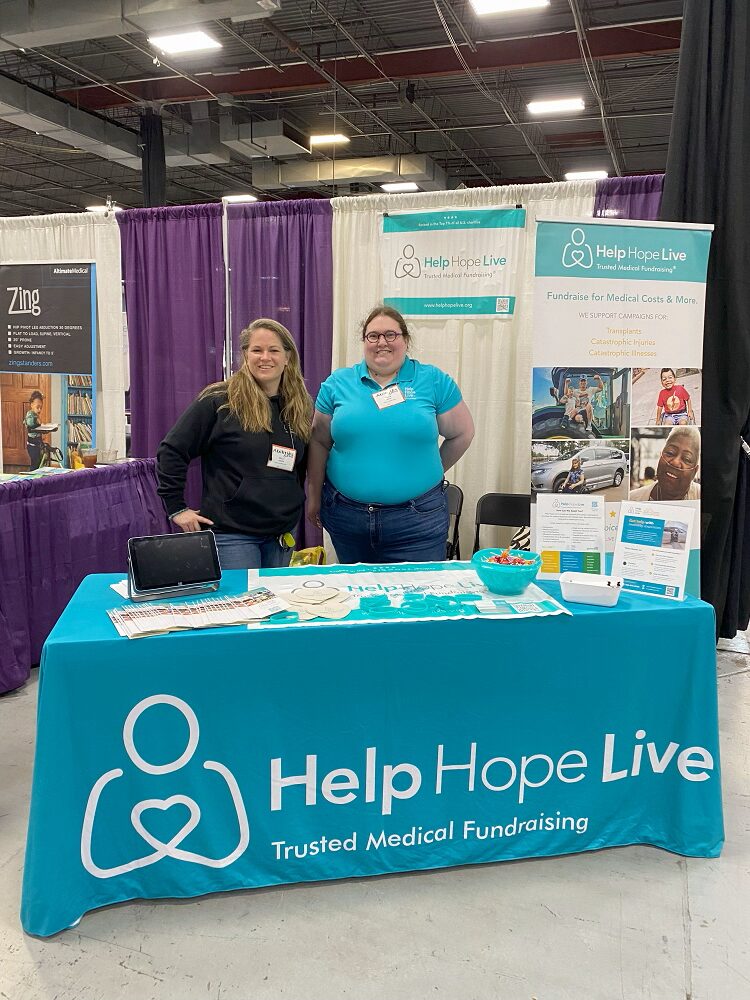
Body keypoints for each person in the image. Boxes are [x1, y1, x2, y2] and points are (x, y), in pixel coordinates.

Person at [306, 305, 475, 563]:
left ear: (405, 340)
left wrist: (427, 468)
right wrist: (314, 495)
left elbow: (463, 433)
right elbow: (318, 441)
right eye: (373, 336)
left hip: (418, 522)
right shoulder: (337, 383)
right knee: (358, 598)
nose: (381, 342)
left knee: (418, 600)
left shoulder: (433, 380)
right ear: (364, 342)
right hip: (347, 519)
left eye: (391, 335)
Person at [157, 319, 312, 569]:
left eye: (273, 350)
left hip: (280, 535)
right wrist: (176, 508)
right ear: (245, 355)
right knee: (243, 606)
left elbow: (300, 467)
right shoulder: (219, 401)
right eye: (256, 350)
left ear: (287, 357)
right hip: (233, 536)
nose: (265, 357)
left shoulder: (298, 406)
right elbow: (172, 450)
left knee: (277, 606)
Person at [629, 427, 701, 501]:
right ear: (660, 455)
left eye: (686, 459)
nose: (675, 462)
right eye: (670, 453)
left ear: (695, 471)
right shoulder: (632, 499)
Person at [24, 390, 44, 470]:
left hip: (37, 444)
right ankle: (31, 479)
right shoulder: (30, 414)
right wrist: (39, 424)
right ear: (31, 405)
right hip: (32, 445)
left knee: (38, 462)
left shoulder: (35, 415)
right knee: (34, 464)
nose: (39, 410)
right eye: (37, 407)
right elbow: (31, 424)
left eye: (41, 408)